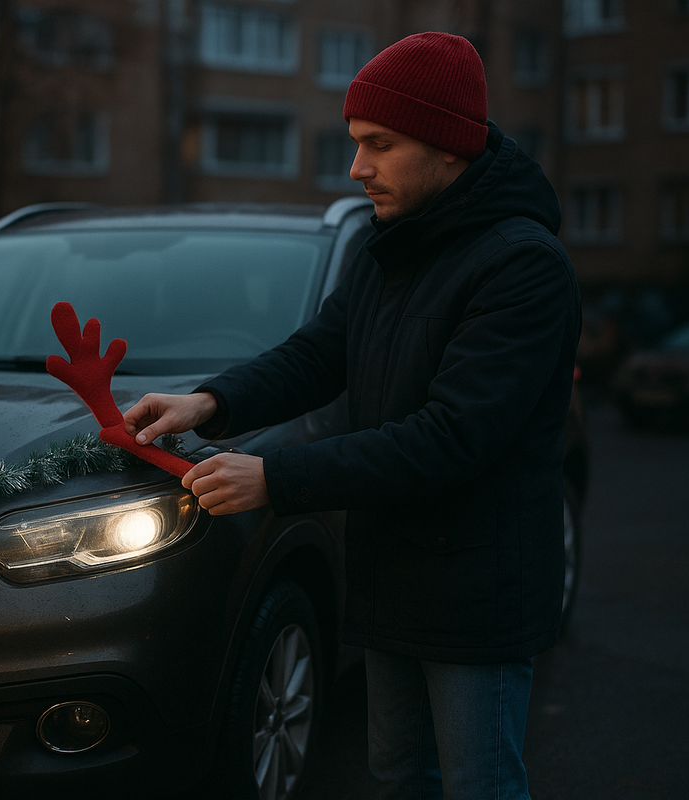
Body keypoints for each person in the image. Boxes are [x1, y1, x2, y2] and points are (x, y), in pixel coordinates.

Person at [124, 31, 581, 800]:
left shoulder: (521, 264)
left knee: (480, 784)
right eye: (355, 143)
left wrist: (276, 475)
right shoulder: (392, 246)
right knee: (397, 775)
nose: (356, 167)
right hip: (390, 574)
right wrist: (212, 400)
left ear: (446, 146)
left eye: (380, 144)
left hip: (477, 591)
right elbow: (316, 354)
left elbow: (452, 437)